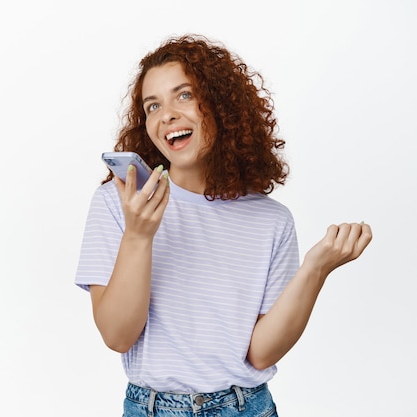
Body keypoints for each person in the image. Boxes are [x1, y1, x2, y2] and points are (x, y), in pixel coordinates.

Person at [74, 34, 372, 417]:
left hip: (247, 408)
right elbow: (117, 336)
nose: (166, 114)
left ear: (221, 104)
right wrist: (139, 235)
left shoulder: (272, 220)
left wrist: (316, 269)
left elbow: (261, 353)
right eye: (153, 105)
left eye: (184, 95)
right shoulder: (119, 203)